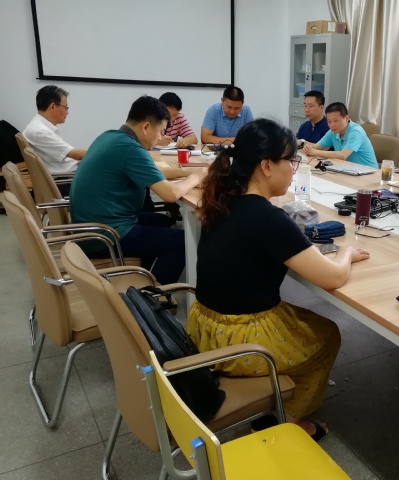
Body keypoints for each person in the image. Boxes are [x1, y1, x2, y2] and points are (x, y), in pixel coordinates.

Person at [187, 118, 370, 441]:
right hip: (240, 340)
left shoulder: (223, 199)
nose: (293, 169)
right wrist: (345, 253)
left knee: (304, 320)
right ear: (267, 166)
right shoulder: (268, 218)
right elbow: (332, 277)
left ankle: (279, 393)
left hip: (204, 326)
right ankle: (293, 420)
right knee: (326, 335)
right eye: (291, 161)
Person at [70, 95, 206, 284]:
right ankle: (154, 296)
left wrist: (188, 172)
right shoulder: (131, 149)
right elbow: (170, 194)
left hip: (91, 226)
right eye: (160, 132)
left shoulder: (111, 137)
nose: (160, 138)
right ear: (146, 127)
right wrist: (196, 177)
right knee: (181, 241)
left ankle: (145, 274)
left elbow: (152, 172)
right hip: (104, 236)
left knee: (163, 221)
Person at [23, 85, 87, 196]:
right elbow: (75, 154)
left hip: (67, 177)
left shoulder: (40, 127)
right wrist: (103, 151)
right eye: (66, 107)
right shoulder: (39, 131)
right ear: (53, 107)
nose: (67, 112)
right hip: (64, 183)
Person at [303, 102, 378, 168]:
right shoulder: (332, 132)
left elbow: (343, 155)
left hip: (369, 172)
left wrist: (315, 152)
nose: (332, 125)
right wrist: (308, 148)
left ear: (346, 118)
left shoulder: (356, 131)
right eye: (329, 121)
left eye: (335, 121)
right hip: (348, 169)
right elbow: (317, 146)